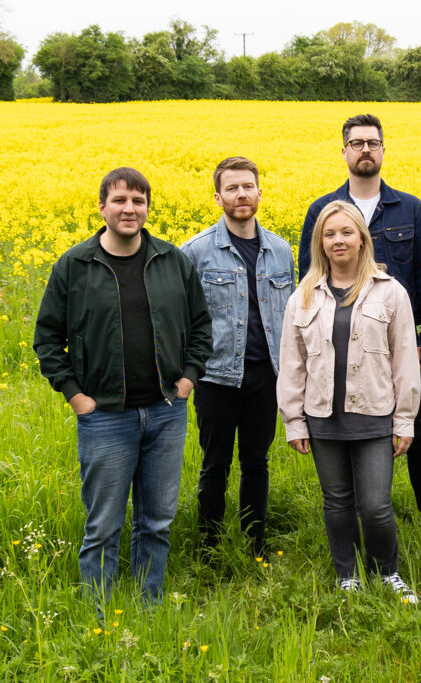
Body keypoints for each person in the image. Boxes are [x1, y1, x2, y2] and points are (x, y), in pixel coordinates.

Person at [33, 167, 212, 600]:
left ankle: (147, 607)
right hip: (105, 416)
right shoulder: (74, 265)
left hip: (166, 413)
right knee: (103, 525)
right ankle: (100, 614)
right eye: (120, 200)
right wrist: (77, 397)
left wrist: (187, 381)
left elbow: (201, 328)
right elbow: (46, 339)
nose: (129, 209)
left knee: (157, 522)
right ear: (102, 207)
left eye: (138, 201)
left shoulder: (173, 261)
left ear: (148, 208)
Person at [299, 114, 421, 523]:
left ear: (383, 150)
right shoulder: (322, 211)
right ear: (343, 151)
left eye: (373, 143)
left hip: (397, 344)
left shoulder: (410, 208)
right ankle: (364, 510)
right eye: (357, 143)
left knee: (420, 430)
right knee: (349, 430)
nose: (365, 149)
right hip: (337, 346)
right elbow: (307, 281)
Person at [278, 200, 421, 602]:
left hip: (375, 414)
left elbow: (405, 360)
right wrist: (294, 421)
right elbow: (292, 364)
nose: (338, 240)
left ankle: (387, 572)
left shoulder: (390, 293)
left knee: (376, 505)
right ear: (319, 244)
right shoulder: (302, 297)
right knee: (337, 501)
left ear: (362, 238)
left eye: (346, 232)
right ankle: (348, 575)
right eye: (329, 234)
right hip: (323, 416)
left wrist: (405, 420)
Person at [181, 157, 295, 558]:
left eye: (247, 186)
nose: (241, 194)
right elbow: (183, 319)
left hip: (267, 375)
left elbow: (290, 317)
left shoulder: (281, 251)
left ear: (259, 193)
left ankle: (254, 545)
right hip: (215, 376)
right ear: (218, 197)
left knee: (257, 461)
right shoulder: (194, 252)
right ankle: (210, 547)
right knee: (215, 464)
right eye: (232, 188)